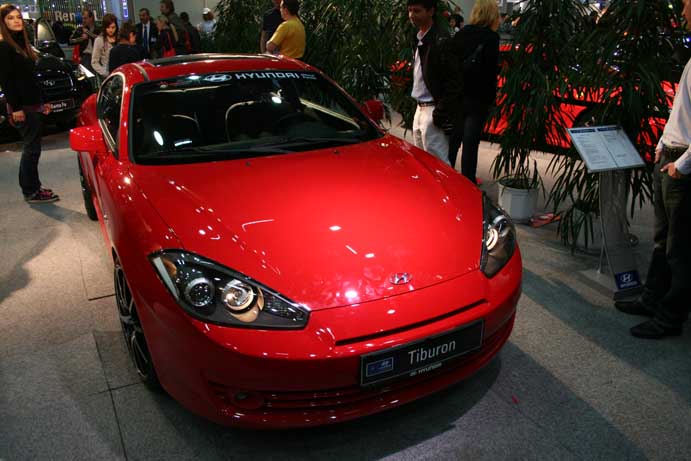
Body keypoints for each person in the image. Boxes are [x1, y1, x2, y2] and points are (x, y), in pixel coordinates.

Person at [614, 0, 691, 340]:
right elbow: (682, 111)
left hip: (681, 165)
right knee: (663, 240)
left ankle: (670, 317)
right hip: (671, 158)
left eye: (687, 4)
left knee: (679, 248)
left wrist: (682, 166)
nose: (683, 11)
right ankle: (652, 299)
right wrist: (662, 145)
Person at [0, 4, 59, 203]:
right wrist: (16, 108)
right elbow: (7, 81)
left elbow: (31, 78)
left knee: (33, 148)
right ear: (2, 23)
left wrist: (43, 101)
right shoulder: (4, 46)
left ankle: (32, 187)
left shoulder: (21, 44)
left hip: (32, 104)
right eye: (10, 18)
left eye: (18, 17)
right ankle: (31, 191)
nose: (16, 21)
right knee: (31, 149)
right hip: (22, 107)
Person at [447, 0, 500, 181]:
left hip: (459, 96)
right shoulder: (491, 38)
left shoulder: (461, 34)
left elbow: (451, 64)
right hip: (478, 98)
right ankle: (467, 182)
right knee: (470, 144)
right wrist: (492, 100)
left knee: (452, 141)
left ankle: (445, 179)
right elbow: (490, 72)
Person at [407, 0, 453, 164]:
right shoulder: (420, 37)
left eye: (417, 11)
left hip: (432, 108)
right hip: (421, 108)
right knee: (422, 163)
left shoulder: (440, 40)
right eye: (410, 10)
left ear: (431, 11)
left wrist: (440, 112)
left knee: (438, 164)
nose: (412, 15)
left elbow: (453, 81)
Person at [69, 8, 99, 73]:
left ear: (91, 18)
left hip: (98, 55)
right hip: (86, 56)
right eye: (82, 18)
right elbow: (70, 41)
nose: (83, 20)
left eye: (85, 18)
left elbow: (99, 38)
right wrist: (81, 39)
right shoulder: (80, 29)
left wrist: (88, 32)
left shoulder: (98, 28)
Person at [92, 13, 118, 79]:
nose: (111, 30)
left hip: (120, 74)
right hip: (107, 75)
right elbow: (94, 62)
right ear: (104, 27)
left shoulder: (120, 38)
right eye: (108, 27)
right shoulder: (99, 40)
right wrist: (105, 73)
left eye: (113, 27)